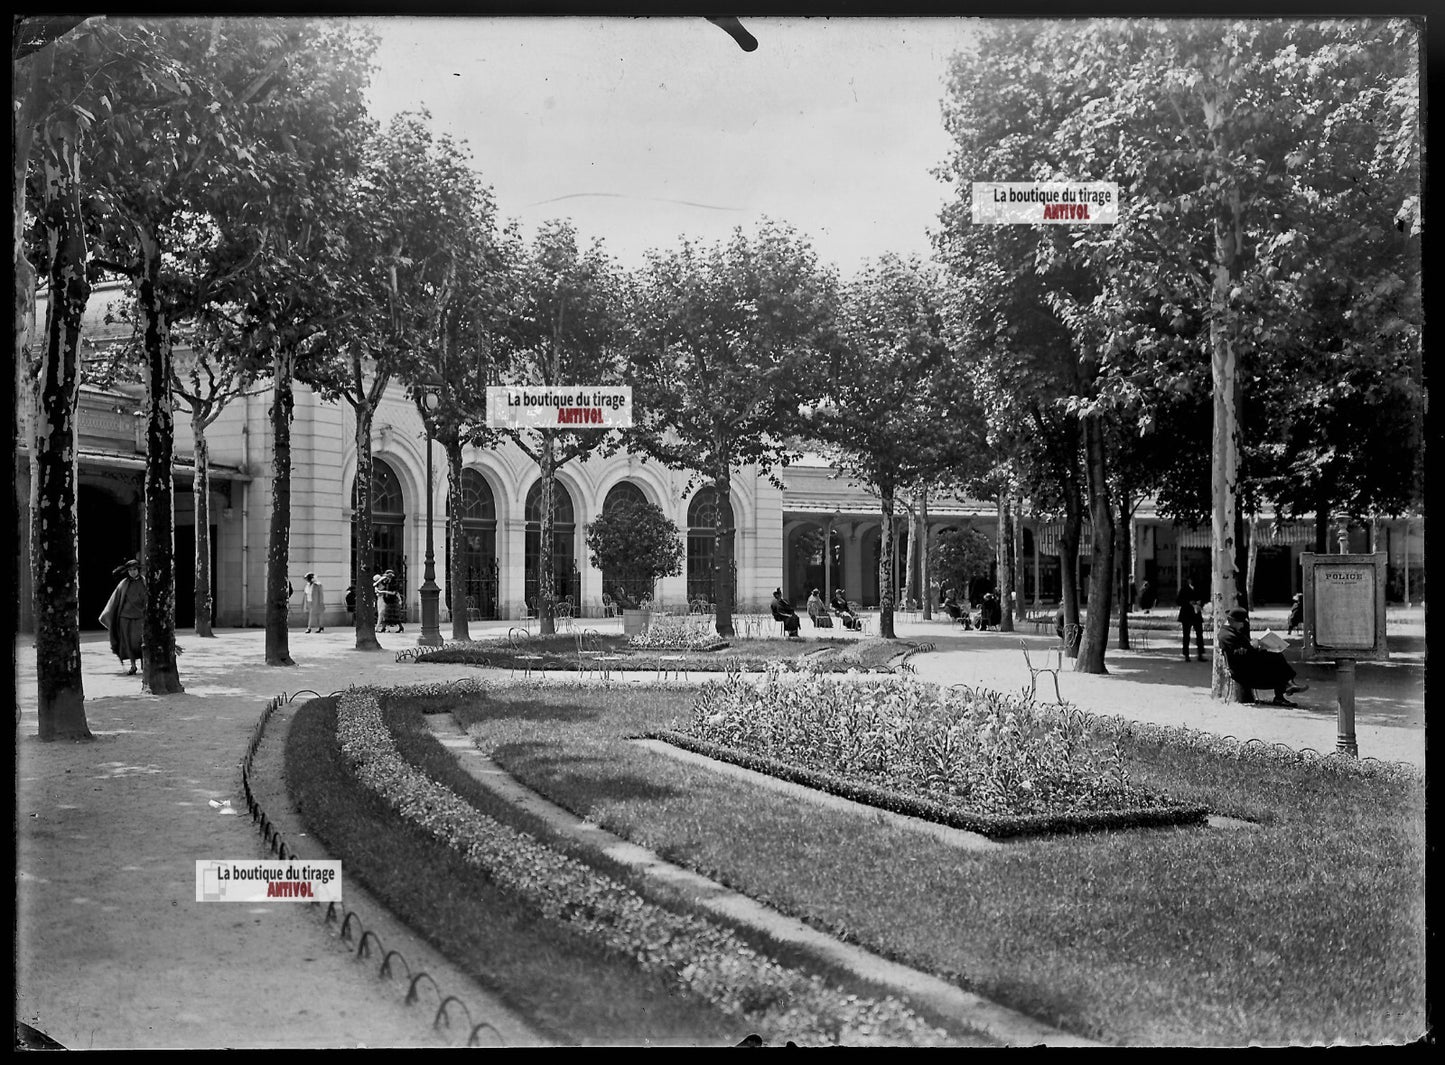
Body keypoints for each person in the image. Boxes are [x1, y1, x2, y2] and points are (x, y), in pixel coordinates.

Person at [1217, 607, 1309, 706]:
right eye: (1241, 622)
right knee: (1276, 661)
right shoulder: (1225, 635)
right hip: (1242, 671)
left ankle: (1287, 686)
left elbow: (1243, 649)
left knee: (1276, 656)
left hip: (1248, 664)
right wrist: (1253, 646)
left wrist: (1257, 645)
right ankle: (1286, 687)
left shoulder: (1231, 630)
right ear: (1232, 621)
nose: (1243, 625)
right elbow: (1237, 654)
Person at [100, 559, 145, 675]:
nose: (133, 572)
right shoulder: (123, 584)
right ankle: (133, 665)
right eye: (130, 570)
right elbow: (114, 601)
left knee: (141, 641)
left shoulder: (145, 582)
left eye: (134, 569)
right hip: (124, 617)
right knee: (127, 642)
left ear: (138, 570)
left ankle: (144, 664)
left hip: (140, 617)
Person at [1177, 578, 1205, 661]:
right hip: (1186, 615)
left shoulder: (1198, 588)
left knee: (1199, 635)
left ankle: (1200, 654)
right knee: (1186, 635)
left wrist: (1200, 603)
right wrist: (1188, 602)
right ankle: (1186, 655)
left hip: (1196, 614)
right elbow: (1178, 601)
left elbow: (1203, 598)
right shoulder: (1184, 589)